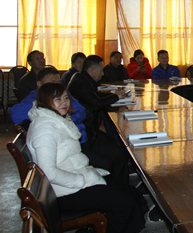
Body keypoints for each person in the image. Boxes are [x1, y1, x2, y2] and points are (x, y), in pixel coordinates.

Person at [26, 83, 147, 233]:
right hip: (63, 192)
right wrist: (81, 181)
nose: (64, 102)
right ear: (45, 101)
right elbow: (48, 173)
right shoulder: (44, 129)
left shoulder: (57, 120)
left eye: (66, 98)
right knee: (125, 203)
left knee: (132, 193)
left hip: (75, 177)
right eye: (57, 99)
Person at [12, 66, 129, 184]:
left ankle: (121, 186)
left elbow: (81, 111)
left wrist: (65, 118)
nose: (57, 85)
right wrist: (53, 112)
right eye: (52, 82)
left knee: (120, 150)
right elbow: (15, 114)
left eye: (58, 81)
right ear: (39, 84)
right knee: (107, 162)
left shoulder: (64, 94)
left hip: (84, 134)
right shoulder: (35, 99)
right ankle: (110, 187)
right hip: (70, 145)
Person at [68, 55, 127, 143]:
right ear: (92, 70)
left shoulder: (83, 77)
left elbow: (95, 95)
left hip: (88, 125)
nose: (102, 74)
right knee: (112, 144)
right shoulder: (81, 82)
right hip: (84, 130)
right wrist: (116, 97)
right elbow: (97, 103)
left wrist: (114, 95)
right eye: (101, 70)